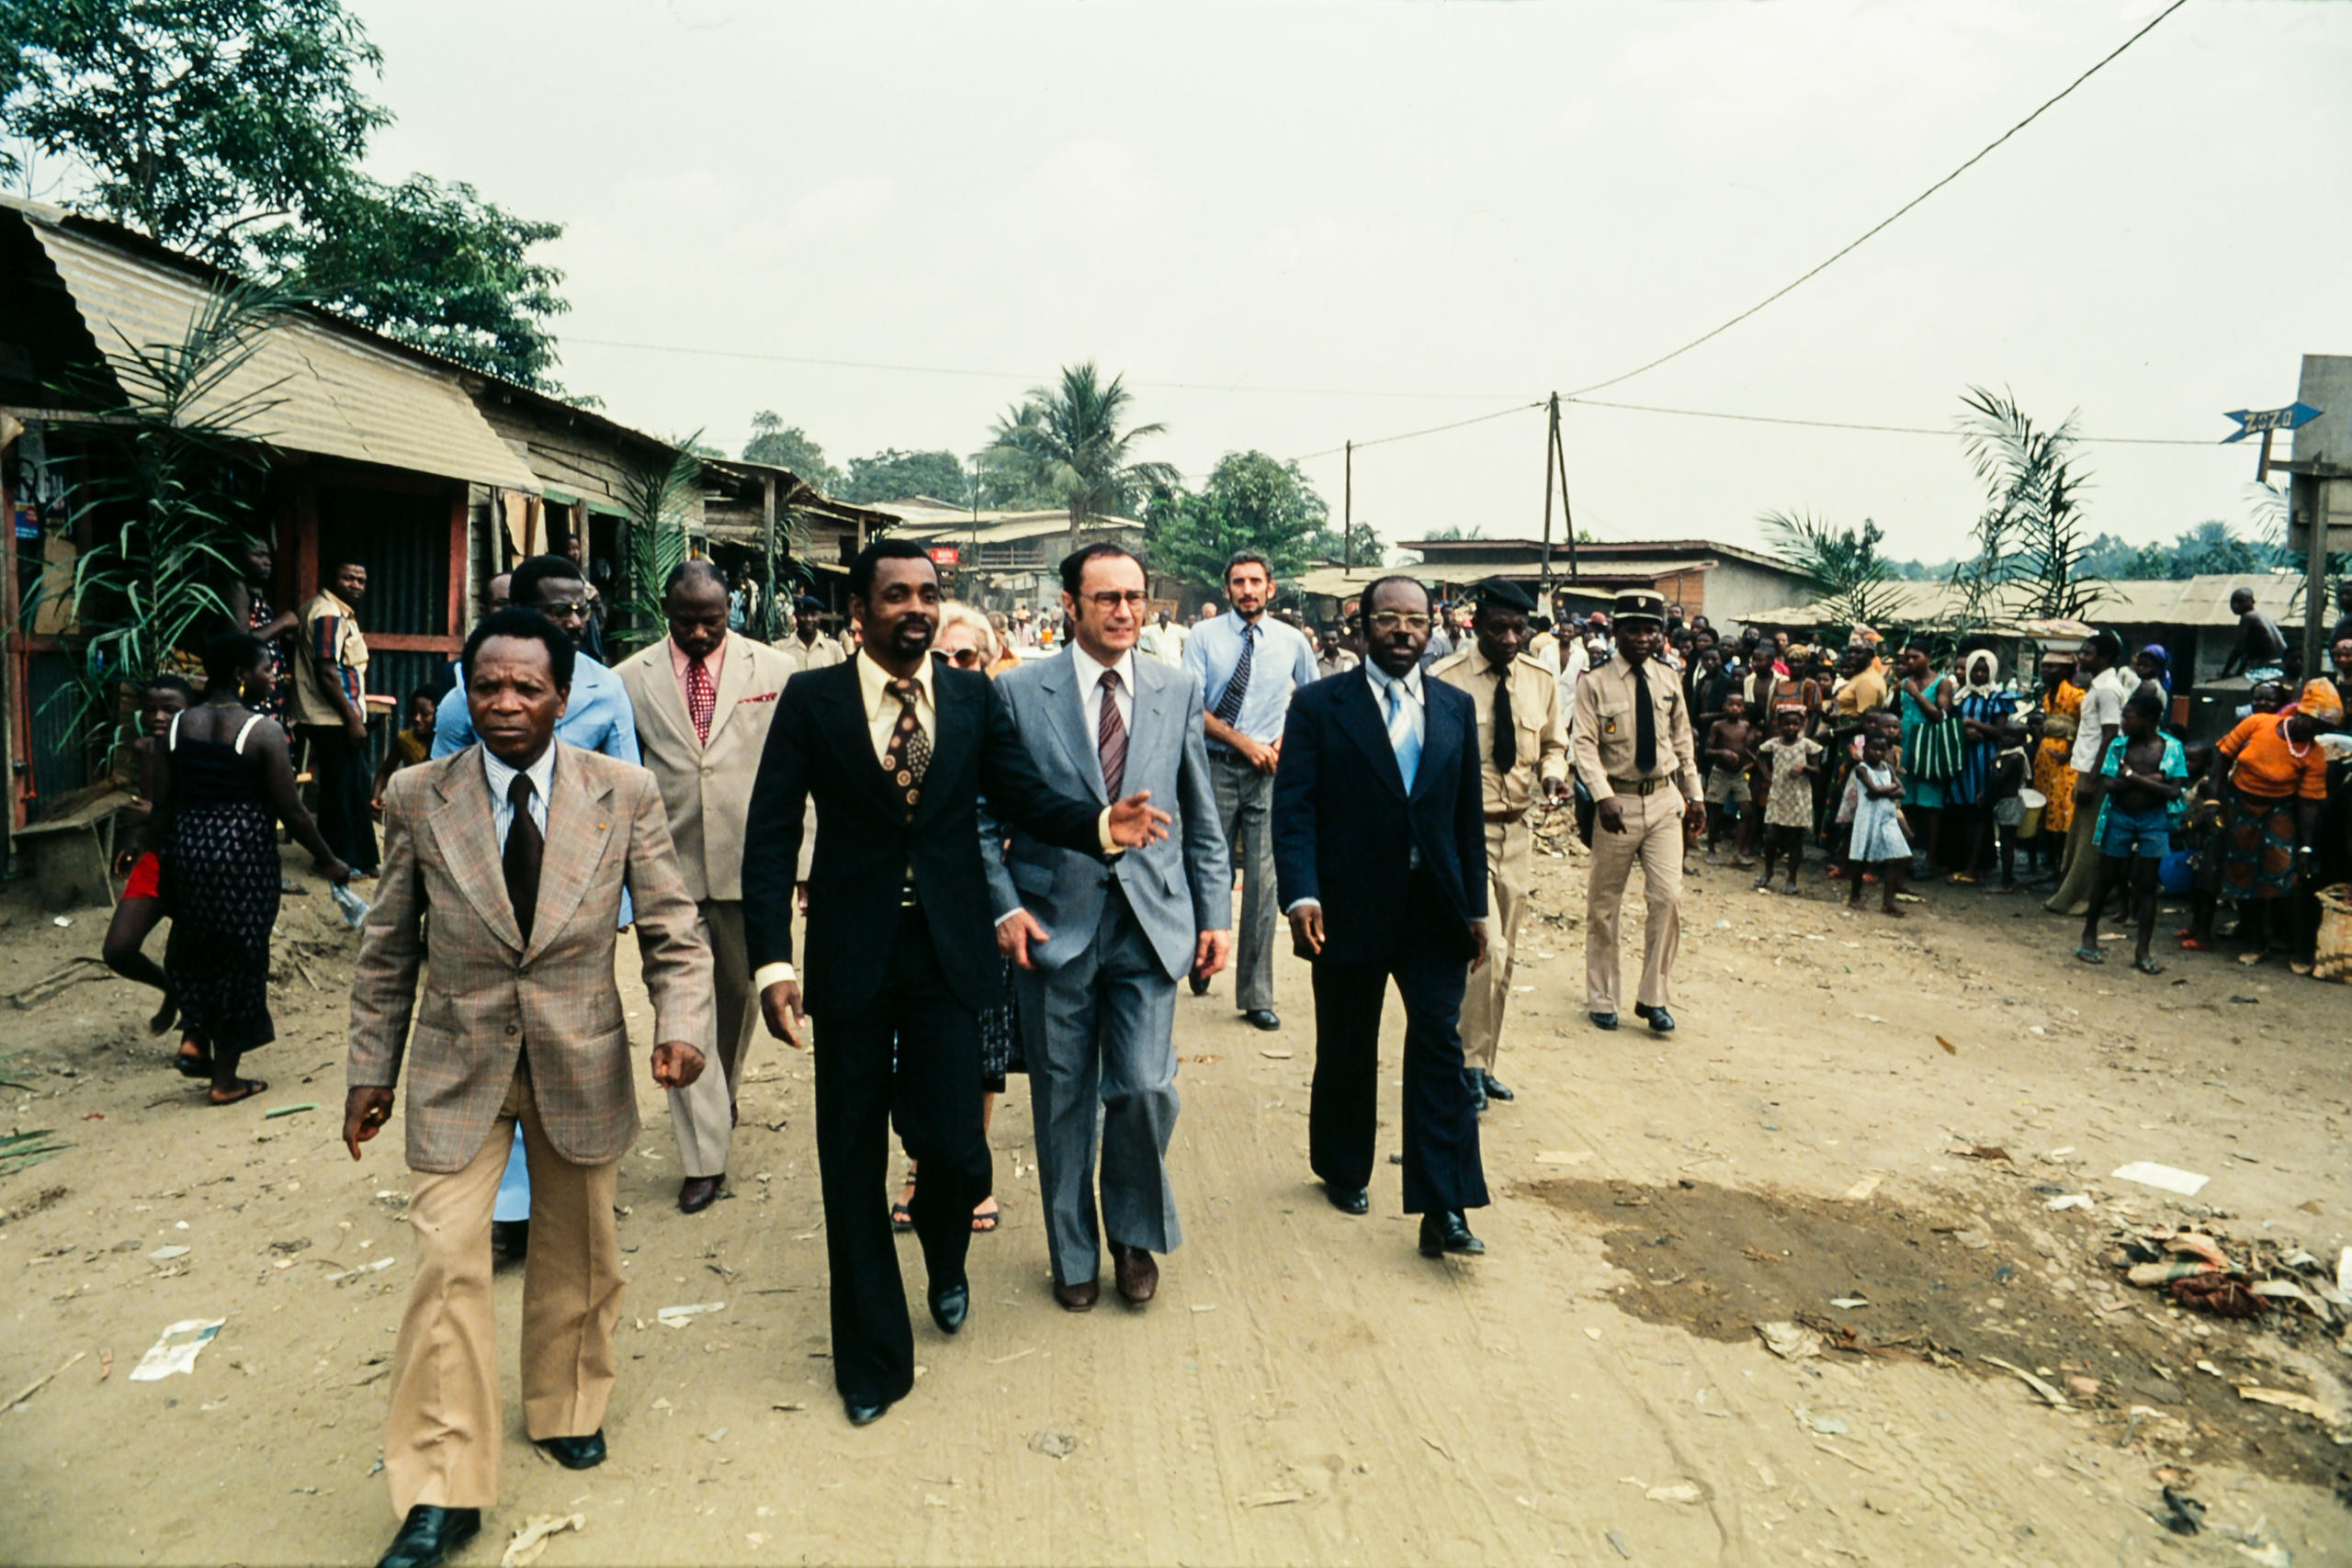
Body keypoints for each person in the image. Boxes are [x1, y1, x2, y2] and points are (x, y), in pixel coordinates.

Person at [740, 539, 1170, 1427]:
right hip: (853, 957)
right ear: (858, 610)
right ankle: (870, 1356)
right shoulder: (813, 700)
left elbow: (1021, 797)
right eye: (895, 594)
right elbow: (772, 832)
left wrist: (1098, 823)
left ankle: (944, 1254)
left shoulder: (971, 699)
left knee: (957, 1151)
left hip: (949, 955)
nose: (915, 608)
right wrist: (773, 960)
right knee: (850, 1156)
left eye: (928, 594)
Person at [343, 608, 713, 1568]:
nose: (506, 705)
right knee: (446, 1266)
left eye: (528, 688)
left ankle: (565, 1404)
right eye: (488, 687)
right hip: (453, 1065)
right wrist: (367, 1073)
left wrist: (680, 1028)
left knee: (580, 1249)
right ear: (465, 691)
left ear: (564, 696)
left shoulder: (622, 791)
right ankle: (441, 1488)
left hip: (579, 1053)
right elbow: (386, 950)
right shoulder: (419, 796)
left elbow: (673, 925)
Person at [986, 545, 1232, 1309]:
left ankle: (1132, 1231)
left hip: (1152, 922)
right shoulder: (1020, 692)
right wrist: (1004, 903)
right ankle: (1073, 1250)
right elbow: (983, 815)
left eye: (1135, 597)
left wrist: (1215, 913)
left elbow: (1199, 815)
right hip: (1054, 922)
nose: (1125, 611)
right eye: (1107, 599)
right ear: (1070, 604)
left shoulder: (1176, 687)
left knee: (1145, 1088)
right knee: (1061, 1099)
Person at [1274, 574, 1489, 1257]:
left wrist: (1477, 908)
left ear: (1434, 628)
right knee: (1347, 1042)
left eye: (1417, 621)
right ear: (1360, 625)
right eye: (1389, 619)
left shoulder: (1455, 707)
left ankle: (1445, 1206)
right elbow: (1295, 808)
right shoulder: (1318, 706)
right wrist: (1301, 893)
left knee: (1439, 1047)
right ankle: (1343, 1165)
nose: (1403, 631)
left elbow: (1465, 819)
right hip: (1344, 907)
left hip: (1434, 911)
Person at [435, 554, 642, 1259]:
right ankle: (510, 1206)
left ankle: (570, 1182)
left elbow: (630, 795)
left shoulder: (606, 689)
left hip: (574, 899)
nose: (575, 620)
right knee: (502, 1044)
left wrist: (625, 902)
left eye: (581, 607)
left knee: (564, 1045)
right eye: (558, 611)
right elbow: (439, 795)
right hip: (493, 893)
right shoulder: (469, 696)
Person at [615, 558, 798, 1214]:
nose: (698, 632)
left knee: (738, 997)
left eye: (711, 620)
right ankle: (703, 1158)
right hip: (665, 867)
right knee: (679, 1004)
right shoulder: (627, 680)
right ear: (666, 609)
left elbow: (800, 775)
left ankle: (719, 1088)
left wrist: (804, 868)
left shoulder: (774, 672)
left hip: (752, 867)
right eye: (685, 620)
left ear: (732, 611)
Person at [134, 633, 350, 1101]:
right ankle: (225, 1082)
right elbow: (292, 811)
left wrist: (154, 851)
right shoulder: (263, 731)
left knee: (193, 946)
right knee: (240, 959)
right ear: (240, 675)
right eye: (266, 668)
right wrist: (329, 859)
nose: (272, 676)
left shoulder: (177, 727)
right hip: (242, 856)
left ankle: (194, 1037)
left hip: (187, 849)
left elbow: (164, 804)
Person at [894, 600, 1021, 1234]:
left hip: (985, 901)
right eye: (940, 655)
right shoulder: (897, 713)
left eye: (965, 656)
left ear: (987, 660)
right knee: (912, 1043)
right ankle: (919, 1167)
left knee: (983, 1042)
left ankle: (971, 1170)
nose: (951, 665)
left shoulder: (998, 715)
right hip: (912, 907)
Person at [1430, 580, 1567, 1112]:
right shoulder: (1445, 680)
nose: (1511, 638)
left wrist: (1554, 774)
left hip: (1519, 830)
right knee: (1486, 950)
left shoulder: (1540, 680)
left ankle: (1485, 1063)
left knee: (1506, 957)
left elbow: (1554, 742)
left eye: (1519, 628)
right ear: (1476, 624)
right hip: (1468, 831)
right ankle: (1465, 1064)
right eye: (1499, 628)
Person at [1181, 549, 1319, 1032]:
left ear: (1271, 588)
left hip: (1269, 776)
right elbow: (1191, 709)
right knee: (1206, 869)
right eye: (1238, 582)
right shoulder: (1202, 637)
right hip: (1214, 767)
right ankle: (1202, 955)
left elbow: (1310, 702)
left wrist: (1280, 742)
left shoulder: (1292, 642)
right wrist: (1244, 743)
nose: (1247, 590)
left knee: (1264, 883)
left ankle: (1256, 994)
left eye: (1255, 581)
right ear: (1227, 590)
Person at [1570, 591, 1704, 1033]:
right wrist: (1602, 794)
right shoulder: (1594, 682)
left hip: (1665, 800)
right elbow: (1584, 745)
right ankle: (1603, 995)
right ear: (1616, 632)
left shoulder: (1669, 679)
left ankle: (1654, 997)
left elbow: (1682, 739)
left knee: (1667, 898)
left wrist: (1695, 794)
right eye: (1633, 629)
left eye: (1651, 629)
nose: (1643, 637)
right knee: (1604, 905)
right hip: (1617, 803)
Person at [2206, 677, 2338, 957]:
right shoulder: (2258, 724)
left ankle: (2283, 942)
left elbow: (2308, 804)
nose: (2316, 734)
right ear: (2302, 714)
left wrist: (2305, 846)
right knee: (2239, 869)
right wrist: (2213, 799)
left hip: (2278, 810)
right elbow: (2222, 758)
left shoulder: (2314, 756)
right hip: (2238, 803)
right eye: (2315, 726)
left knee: (2281, 873)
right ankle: (2251, 937)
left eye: (2323, 730)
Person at [103, 674, 195, 1038]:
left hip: (192, 862)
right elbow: (147, 804)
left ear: (190, 712)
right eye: (152, 710)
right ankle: (168, 987)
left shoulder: (197, 750)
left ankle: (194, 1038)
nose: (159, 717)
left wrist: (153, 815)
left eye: (170, 710)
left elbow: (198, 810)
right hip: (155, 860)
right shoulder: (149, 750)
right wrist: (137, 839)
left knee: (190, 955)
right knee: (118, 950)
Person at [2076, 688, 2188, 974]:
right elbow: (2110, 784)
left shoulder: (2171, 747)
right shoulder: (2118, 745)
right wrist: (2153, 780)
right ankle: (2089, 935)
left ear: (2149, 719)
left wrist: (2131, 776)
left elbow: (2174, 792)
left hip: (2154, 821)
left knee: (2148, 885)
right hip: (2120, 816)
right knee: (2106, 877)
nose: (2123, 721)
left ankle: (2143, 949)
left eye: (2129, 716)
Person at [293, 559, 378, 877]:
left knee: (354, 784)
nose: (355, 585)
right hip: (330, 718)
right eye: (349, 578)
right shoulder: (327, 613)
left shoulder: (339, 613)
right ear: (333, 579)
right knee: (339, 790)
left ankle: (362, 859)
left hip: (338, 716)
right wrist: (352, 719)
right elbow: (327, 672)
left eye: (361, 580)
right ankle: (338, 860)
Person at [2046, 632, 2136, 918]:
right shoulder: (2097, 687)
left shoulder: (2108, 689)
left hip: (2095, 772)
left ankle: (2082, 898)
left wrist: (2094, 777)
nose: (2082, 658)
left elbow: (2110, 734)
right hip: (2085, 766)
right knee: (2080, 835)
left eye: (2088, 653)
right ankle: (2074, 893)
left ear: (2104, 658)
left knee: (2089, 838)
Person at [1949, 649, 2017, 886]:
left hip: (1985, 759)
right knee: (1965, 811)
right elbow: (1950, 724)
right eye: (1975, 670)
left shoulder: (1998, 697)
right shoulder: (1961, 696)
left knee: (1980, 812)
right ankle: (1968, 864)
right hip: (1964, 758)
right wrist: (1964, 731)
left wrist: (1972, 723)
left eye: (1983, 671)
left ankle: (1974, 867)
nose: (1978, 675)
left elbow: (2001, 731)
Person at [1894, 641, 1959, 876]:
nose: (1910, 662)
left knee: (1931, 805)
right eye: (1907, 658)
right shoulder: (1902, 684)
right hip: (1907, 749)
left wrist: (1916, 694)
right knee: (1908, 802)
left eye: (1915, 657)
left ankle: (1931, 860)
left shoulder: (1942, 683)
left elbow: (1939, 715)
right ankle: (1906, 857)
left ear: (1928, 658)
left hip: (1930, 750)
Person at [221, 536, 296, 736]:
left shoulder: (252, 593)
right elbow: (240, 641)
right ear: (238, 557)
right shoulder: (235, 588)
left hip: (263, 693)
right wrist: (284, 622)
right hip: (249, 696)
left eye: (269, 557)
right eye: (258, 555)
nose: (267, 562)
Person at [1752, 704, 1824, 894]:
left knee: (1795, 840)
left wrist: (1804, 768)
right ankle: (1768, 872)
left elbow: (1818, 770)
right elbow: (1759, 756)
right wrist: (1767, 774)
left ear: (1802, 725)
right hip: (1778, 795)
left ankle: (1791, 878)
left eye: (1795, 724)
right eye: (1786, 724)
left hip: (1799, 797)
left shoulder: (1808, 745)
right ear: (1780, 725)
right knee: (1771, 836)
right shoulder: (1773, 744)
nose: (1790, 728)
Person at [2028, 649, 2085, 881]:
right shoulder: (2046, 695)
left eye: (2053, 667)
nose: (2046, 671)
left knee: (2063, 810)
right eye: (2044, 666)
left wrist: (2071, 752)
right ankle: (2049, 863)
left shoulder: (2077, 696)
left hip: (2066, 758)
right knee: (2045, 806)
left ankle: (2062, 866)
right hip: (2046, 756)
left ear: (2067, 670)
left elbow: (2085, 728)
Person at [1842, 729, 1912, 917]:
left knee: (1899, 855)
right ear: (1865, 749)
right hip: (1867, 818)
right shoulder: (1861, 769)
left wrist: (1883, 790)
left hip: (1887, 817)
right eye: (1874, 749)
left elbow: (1901, 792)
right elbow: (1872, 789)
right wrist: (1891, 788)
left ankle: (1888, 901)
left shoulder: (1888, 768)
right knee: (1860, 858)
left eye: (1882, 750)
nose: (1878, 754)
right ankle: (1854, 896)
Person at [1700, 693, 1758, 867]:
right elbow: (1707, 750)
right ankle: (1711, 849)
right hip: (1720, 773)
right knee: (1715, 811)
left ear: (1743, 709)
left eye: (1738, 705)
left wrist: (1752, 758)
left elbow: (1745, 748)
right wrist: (1722, 753)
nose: (1734, 708)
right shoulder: (1718, 726)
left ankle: (1738, 852)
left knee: (1746, 809)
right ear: (1724, 706)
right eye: (1731, 705)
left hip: (1738, 774)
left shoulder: (1745, 726)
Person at [371, 689, 438, 812]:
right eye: (413, 713)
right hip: (412, 805)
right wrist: (376, 797)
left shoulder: (444, 742)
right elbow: (385, 772)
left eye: (425, 714)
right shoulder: (405, 739)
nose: (417, 718)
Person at [2220, 587, 2289, 682]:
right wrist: (2237, 674)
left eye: (2241, 602)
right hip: (2281, 665)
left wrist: (2224, 673)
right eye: (2233, 602)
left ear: (2252, 602)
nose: (2235, 605)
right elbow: (2248, 652)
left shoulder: (2248, 617)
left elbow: (2239, 649)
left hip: (2267, 667)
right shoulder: (2260, 616)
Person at [779, 595, 848, 673]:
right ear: (796, 616)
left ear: (820, 617)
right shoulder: (780, 648)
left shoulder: (834, 649)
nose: (809, 619)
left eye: (813, 615)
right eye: (804, 615)